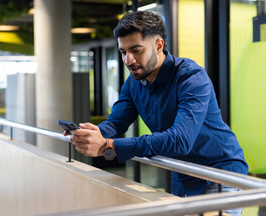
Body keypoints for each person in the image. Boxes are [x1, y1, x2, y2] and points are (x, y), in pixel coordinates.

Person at [64, 11, 248, 215]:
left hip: (218, 171)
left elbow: (180, 140)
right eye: (123, 52)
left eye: (136, 50)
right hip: (182, 171)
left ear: (159, 45)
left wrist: (110, 145)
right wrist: (92, 133)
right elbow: (116, 123)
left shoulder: (191, 77)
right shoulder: (133, 83)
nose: (128, 60)